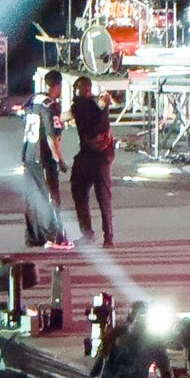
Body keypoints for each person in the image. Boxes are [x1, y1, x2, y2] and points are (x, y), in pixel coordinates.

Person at [68, 73, 117, 247]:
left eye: (77, 90)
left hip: (88, 155)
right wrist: (103, 104)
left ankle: (88, 233)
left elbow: (80, 117)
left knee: (80, 192)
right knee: (104, 197)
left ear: (83, 90)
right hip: (103, 156)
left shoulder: (79, 106)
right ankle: (108, 236)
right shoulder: (98, 106)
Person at [21, 67, 67, 247]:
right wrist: (58, 158)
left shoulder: (33, 100)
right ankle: (54, 237)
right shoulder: (50, 105)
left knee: (32, 196)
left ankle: (33, 236)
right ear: (57, 86)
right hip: (43, 157)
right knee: (50, 196)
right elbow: (50, 135)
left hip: (28, 154)